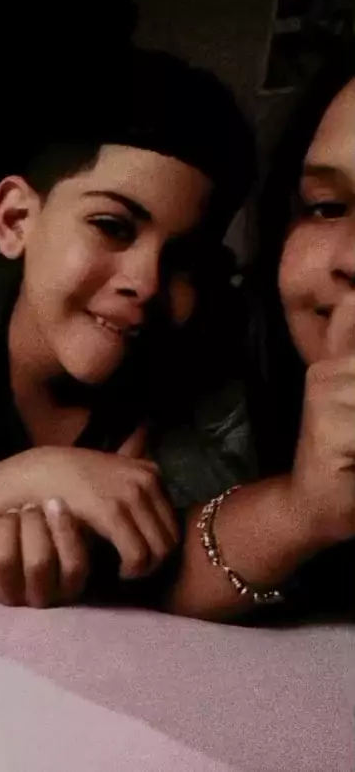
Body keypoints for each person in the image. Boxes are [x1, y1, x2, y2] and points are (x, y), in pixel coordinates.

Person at [0, 48, 256, 608]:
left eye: (185, 259)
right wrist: (40, 475)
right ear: (16, 220)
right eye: (112, 226)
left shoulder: (165, 364)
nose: (146, 282)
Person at [162, 45, 355, 622]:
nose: (351, 258)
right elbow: (147, 574)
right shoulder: (229, 395)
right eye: (327, 207)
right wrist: (301, 510)